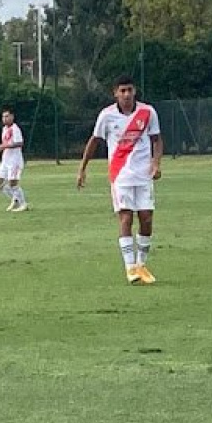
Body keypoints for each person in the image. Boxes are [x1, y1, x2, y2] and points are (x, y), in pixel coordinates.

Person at [77, 75, 163, 285]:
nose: (126, 94)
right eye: (122, 91)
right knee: (126, 218)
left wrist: (156, 163)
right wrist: (82, 168)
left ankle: (141, 265)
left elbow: (157, 139)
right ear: (115, 93)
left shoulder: (148, 112)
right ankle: (130, 267)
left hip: (143, 175)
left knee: (146, 218)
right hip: (120, 175)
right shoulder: (107, 116)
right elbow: (94, 141)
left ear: (135, 91)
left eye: (129, 90)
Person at [0, 108, 28, 212]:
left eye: (7, 116)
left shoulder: (15, 128)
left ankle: (23, 204)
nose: (4, 119)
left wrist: (4, 146)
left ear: (12, 117)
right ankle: (15, 199)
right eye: (3, 117)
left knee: (13, 182)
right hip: (5, 160)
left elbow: (19, 143)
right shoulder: (4, 129)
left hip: (15, 160)